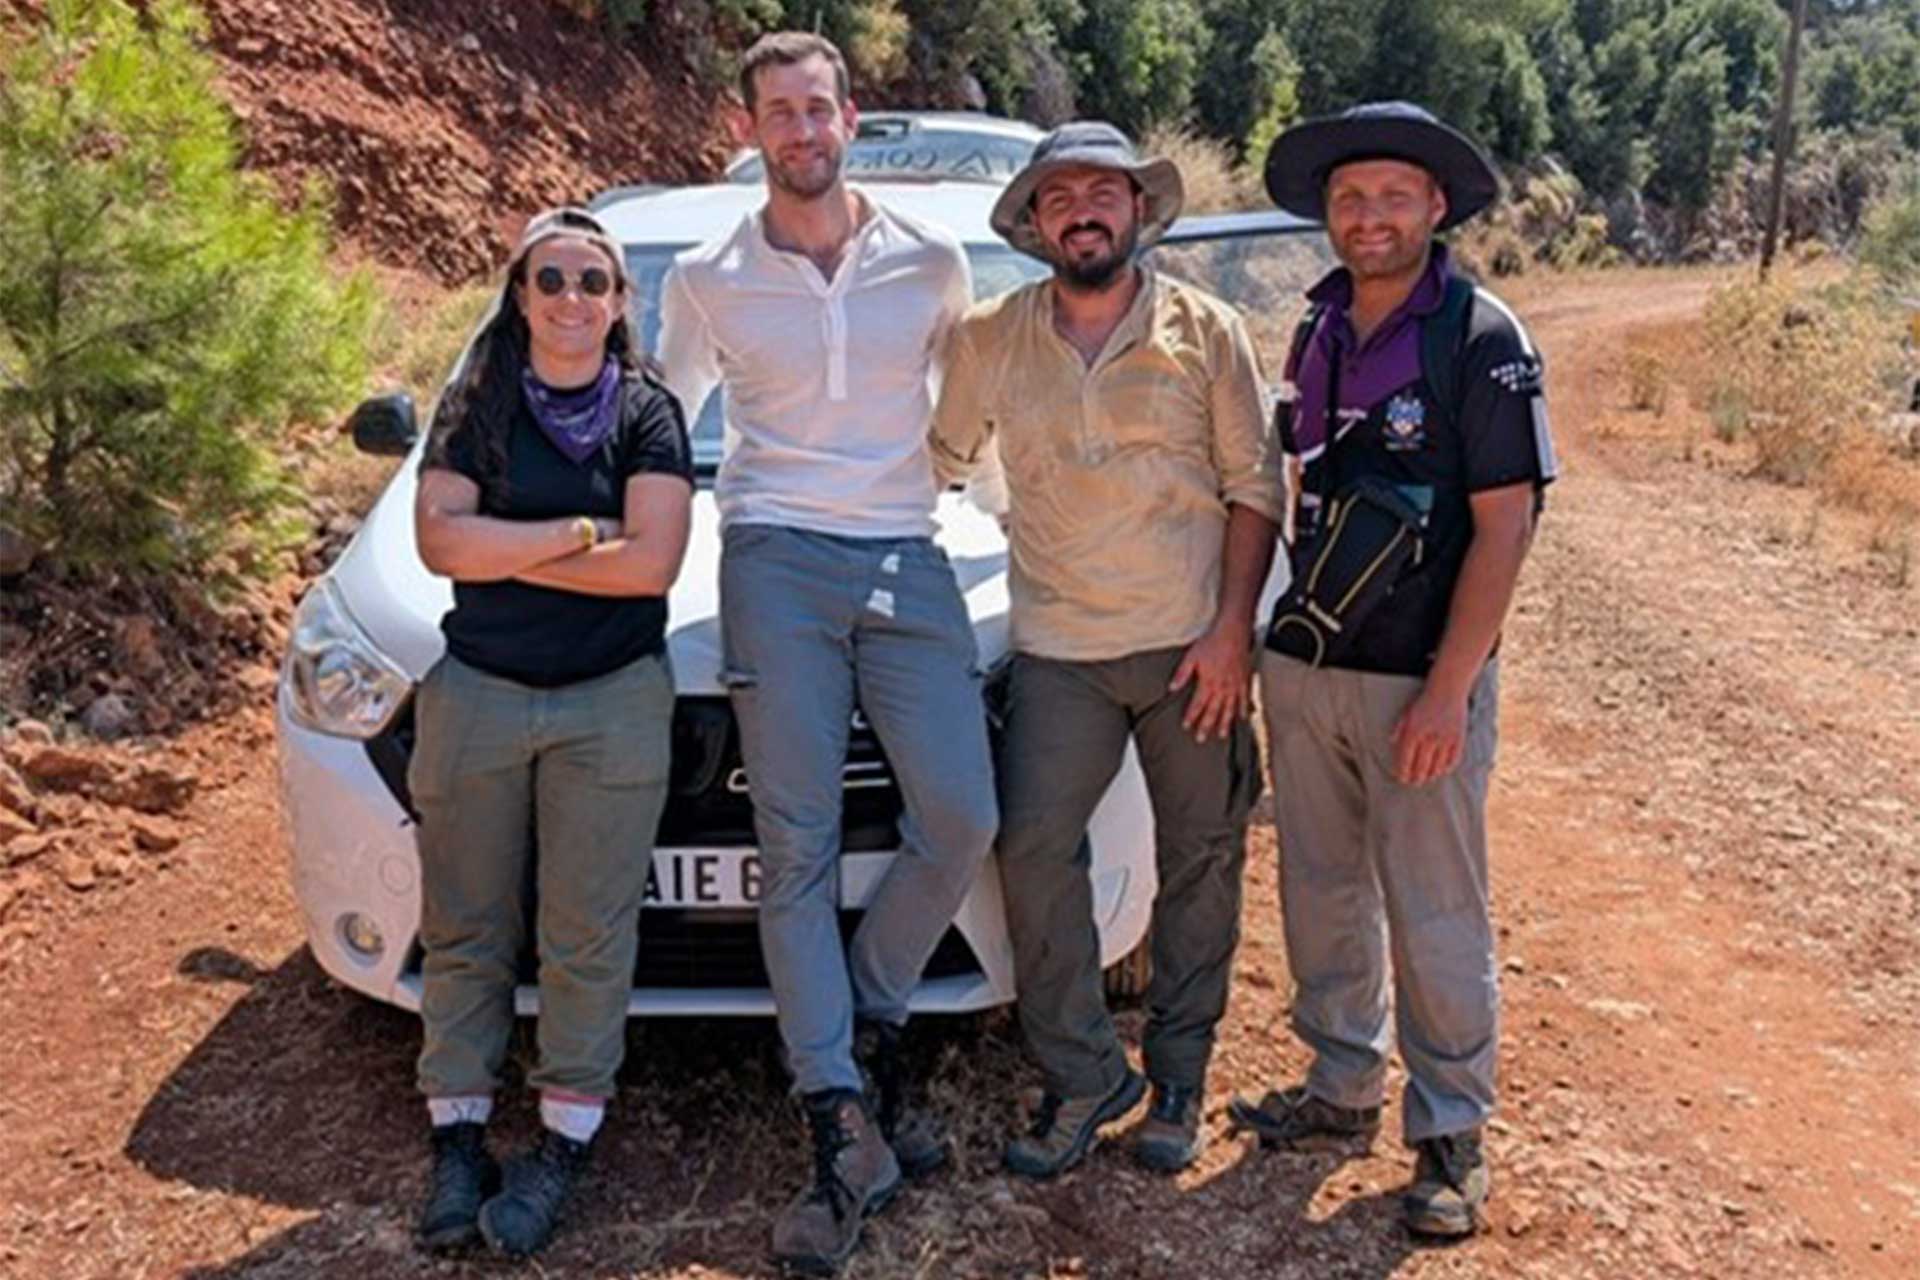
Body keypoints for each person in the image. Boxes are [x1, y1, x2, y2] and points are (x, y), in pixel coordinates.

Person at [655, 31, 997, 1277]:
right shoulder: (705, 274)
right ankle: (839, 1111)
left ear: (851, 117)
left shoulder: (934, 260)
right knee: (793, 842)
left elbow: (967, 415)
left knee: (959, 812)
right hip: (773, 557)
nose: (799, 131)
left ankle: (869, 1013)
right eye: (776, 114)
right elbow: (657, 421)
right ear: (747, 129)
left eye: (817, 108)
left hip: (909, 550)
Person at [1226, 102, 1557, 1238]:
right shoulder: (1314, 327)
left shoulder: (1480, 335)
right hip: (1309, 661)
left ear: (1435, 207)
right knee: (1319, 888)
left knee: (1434, 903)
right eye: (1350, 198)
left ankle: (1452, 1128)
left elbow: (1505, 523)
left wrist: (1453, 688)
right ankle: (1339, 1084)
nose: (1368, 217)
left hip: (1421, 674)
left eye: (1393, 196)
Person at [929, 122, 1282, 1178]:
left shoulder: (1207, 330)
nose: (1082, 209)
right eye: (1059, 195)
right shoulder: (990, 337)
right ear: (1035, 223)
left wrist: (1232, 633)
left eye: (1103, 191)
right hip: (1057, 648)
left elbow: (1254, 487)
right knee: (1031, 850)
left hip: (1190, 648)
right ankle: (1087, 1072)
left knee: (1204, 855)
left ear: (1137, 209)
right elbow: (935, 461)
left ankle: (1178, 1074)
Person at [409, 207, 694, 1256]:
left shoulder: (650, 414)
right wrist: (581, 533)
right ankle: (459, 1133)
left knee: (586, 933)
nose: (573, 298)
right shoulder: (475, 401)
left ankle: (564, 1138)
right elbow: (436, 540)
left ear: (620, 304)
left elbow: (654, 564)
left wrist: (497, 545)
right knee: (467, 924)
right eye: (552, 278)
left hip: (612, 698)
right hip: (478, 688)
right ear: (520, 294)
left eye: (593, 281)